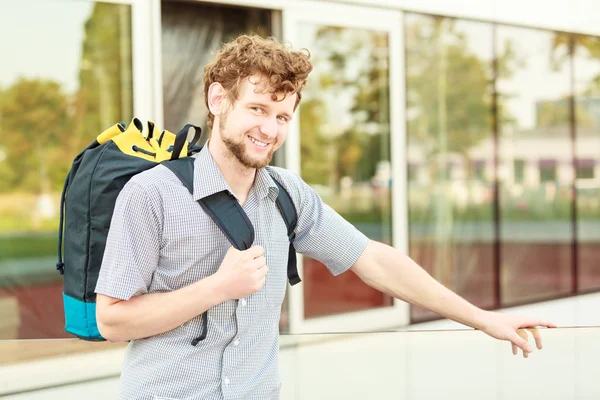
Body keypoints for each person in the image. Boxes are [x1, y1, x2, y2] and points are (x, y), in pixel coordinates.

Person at [95, 34, 556, 400]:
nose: (269, 129)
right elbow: (112, 320)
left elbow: (373, 259)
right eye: (257, 109)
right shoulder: (151, 193)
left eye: (282, 116)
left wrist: (483, 319)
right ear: (218, 101)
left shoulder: (287, 194)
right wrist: (217, 288)